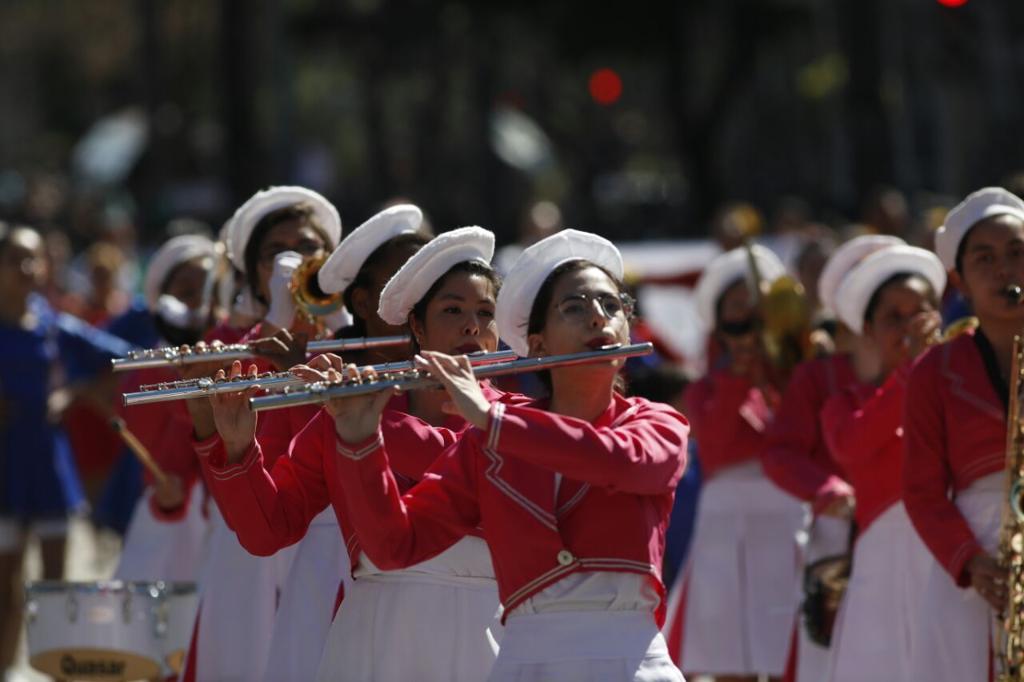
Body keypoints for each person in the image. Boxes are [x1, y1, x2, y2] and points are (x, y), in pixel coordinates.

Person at [325, 229, 688, 681]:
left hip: (633, 664)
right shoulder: (487, 443)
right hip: (525, 664)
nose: (598, 317)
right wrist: (359, 439)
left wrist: (493, 420)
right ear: (537, 344)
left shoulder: (656, 421)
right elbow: (395, 546)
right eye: (574, 307)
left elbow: (624, 462)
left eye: (611, 305)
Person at [197, 226, 513, 681]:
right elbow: (267, 531)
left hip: (489, 632)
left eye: (486, 313)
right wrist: (238, 446)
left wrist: (364, 422)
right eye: (452, 310)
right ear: (417, 327)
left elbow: (466, 458)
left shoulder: (517, 419)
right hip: (375, 631)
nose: (472, 327)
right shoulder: (346, 412)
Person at [259, 203, 429, 682]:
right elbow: (279, 480)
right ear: (362, 300)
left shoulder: (456, 366)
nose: (417, 298)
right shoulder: (325, 365)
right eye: (399, 283)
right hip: (332, 560)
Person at [179, 185, 342, 682]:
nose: (295, 260)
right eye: (277, 252)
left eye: (309, 247)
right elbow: (218, 453)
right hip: (251, 539)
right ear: (254, 273)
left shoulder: (357, 342)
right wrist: (275, 322)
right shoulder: (225, 345)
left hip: (331, 542)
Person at [758, 234, 899, 682]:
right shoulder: (817, 376)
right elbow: (779, 452)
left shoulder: (933, 369)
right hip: (840, 537)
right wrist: (826, 489)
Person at [664, 245, 803, 682]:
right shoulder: (705, 389)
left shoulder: (799, 379)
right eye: (737, 305)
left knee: (787, 655)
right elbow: (719, 445)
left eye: (756, 302)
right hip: (726, 524)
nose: (748, 313)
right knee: (729, 658)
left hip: (787, 517)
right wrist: (738, 375)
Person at [903, 187, 1024, 681]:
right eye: (985, 259)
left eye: (1016, 253)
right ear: (960, 281)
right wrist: (972, 563)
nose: (1004, 270)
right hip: (976, 565)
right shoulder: (933, 371)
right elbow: (922, 491)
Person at [0, 223, 132, 676]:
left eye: (33, 259)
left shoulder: (51, 323)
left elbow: (121, 356)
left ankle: (54, 669)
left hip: (48, 467)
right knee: (5, 585)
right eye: (14, 259)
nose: (26, 268)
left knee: (55, 586)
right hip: (4, 470)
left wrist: (75, 394)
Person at [820, 244, 945, 681]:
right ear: (868, 330)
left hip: (952, 552)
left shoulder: (959, 389)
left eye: (920, 312)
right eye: (894, 317)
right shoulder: (844, 404)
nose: (910, 326)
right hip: (883, 563)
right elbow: (853, 445)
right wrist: (912, 372)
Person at [113, 234, 220, 583]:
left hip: (233, 519)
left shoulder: (240, 352)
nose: (201, 303)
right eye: (187, 292)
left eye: (210, 291)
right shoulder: (146, 371)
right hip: (174, 524)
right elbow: (160, 456)